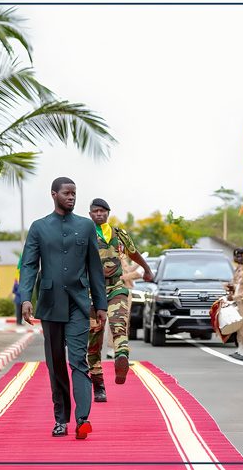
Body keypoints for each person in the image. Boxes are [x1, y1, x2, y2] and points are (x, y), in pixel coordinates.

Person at [19, 177, 107, 439]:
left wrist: (100, 303)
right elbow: (29, 265)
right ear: (54, 194)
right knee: (56, 364)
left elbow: (94, 267)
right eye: (67, 193)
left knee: (78, 360)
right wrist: (26, 298)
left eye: (74, 193)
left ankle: (82, 419)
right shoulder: (39, 228)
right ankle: (61, 419)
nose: (71, 197)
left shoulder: (86, 226)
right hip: (50, 304)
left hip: (79, 304)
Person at [86, 198, 153, 402]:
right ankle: (98, 385)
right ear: (90, 215)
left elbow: (133, 252)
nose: (99, 214)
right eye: (95, 211)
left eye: (102, 211)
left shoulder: (118, 233)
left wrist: (147, 269)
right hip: (92, 290)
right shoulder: (84, 234)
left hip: (116, 286)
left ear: (108, 213)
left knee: (119, 324)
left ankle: (121, 357)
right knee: (94, 338)